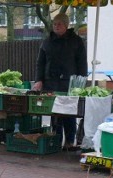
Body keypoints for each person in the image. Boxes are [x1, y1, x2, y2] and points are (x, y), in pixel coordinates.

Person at [34, 13, 87, 150]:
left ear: (66, 25)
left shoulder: (76, 41)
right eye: (55, 24)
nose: (56, 26)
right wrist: (39, 80)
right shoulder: (47, 41)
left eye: (59, 24)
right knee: (54, 113)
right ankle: (56, 141)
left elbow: (82, 63)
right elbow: (40, 63)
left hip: (69, 83)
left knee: (68, 113)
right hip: (50, 82)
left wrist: (82, 82)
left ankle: (69, 142)